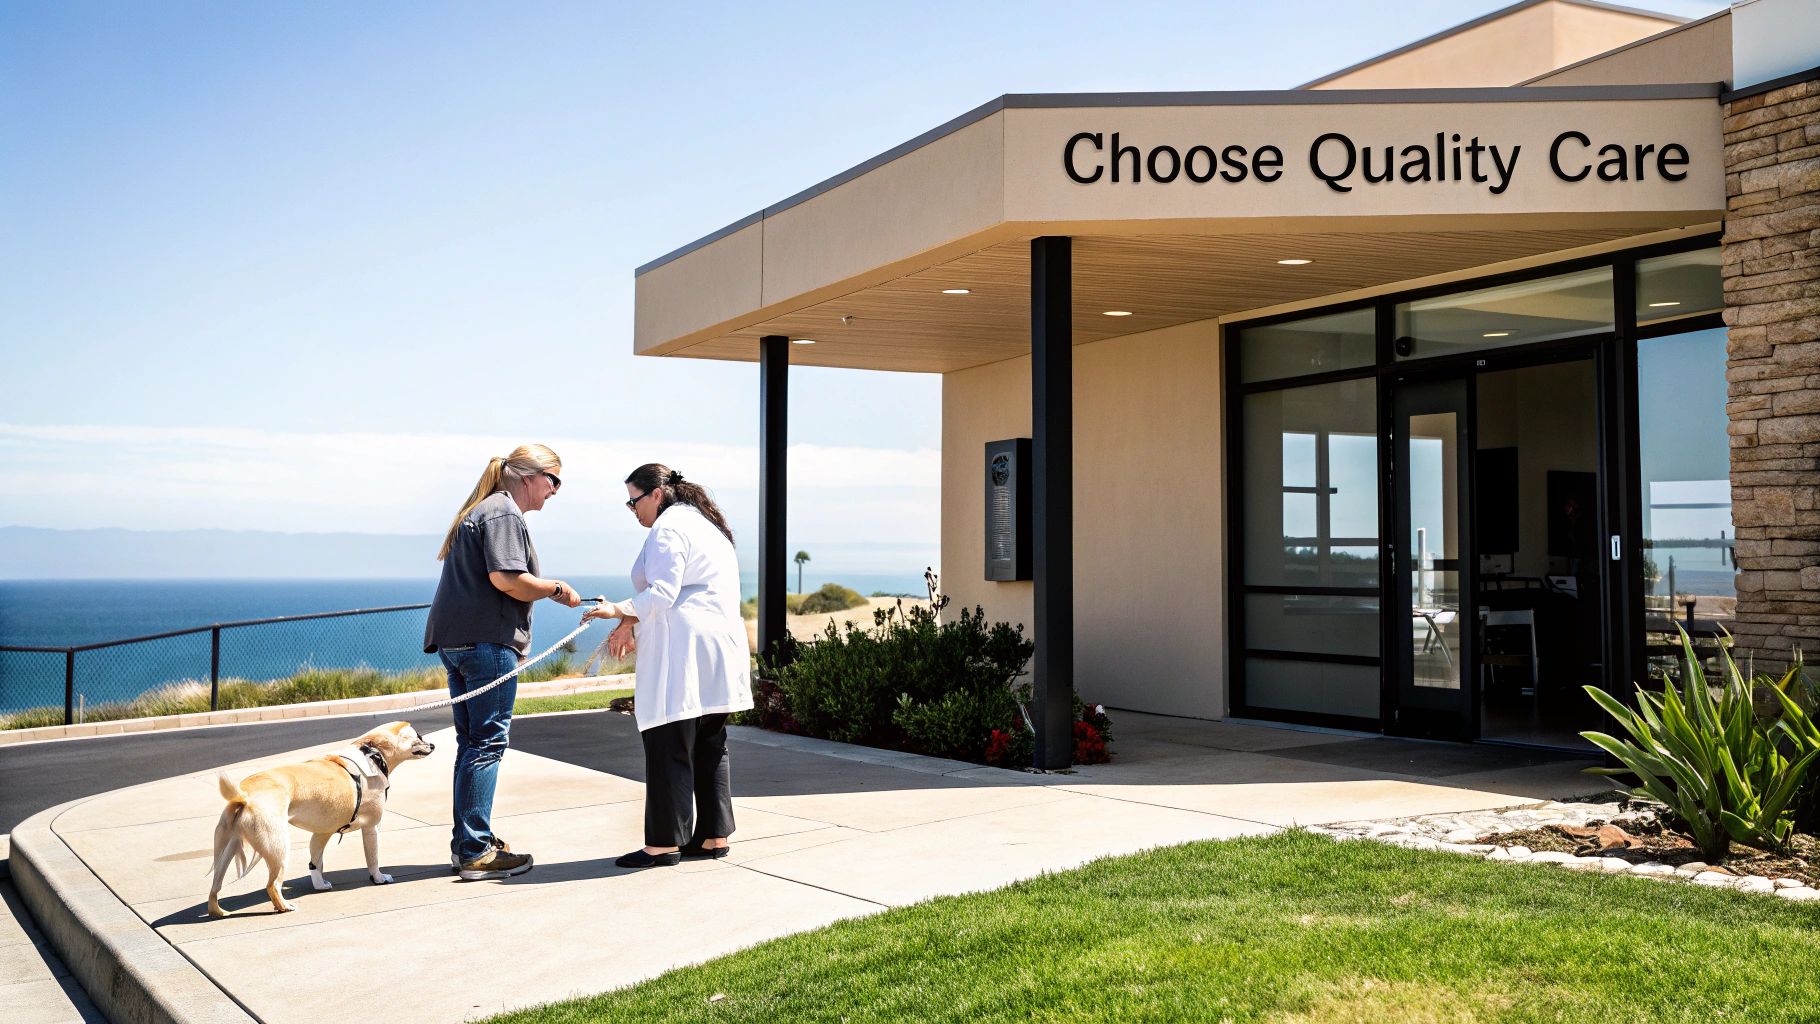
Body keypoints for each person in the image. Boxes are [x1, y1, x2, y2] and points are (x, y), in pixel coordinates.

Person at [424, 444, 581, 880]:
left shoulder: (482, 509)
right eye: (554, 480)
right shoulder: (503, 512)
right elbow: (507, 579)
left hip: (457, 644)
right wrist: (553, 588)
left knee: (471, 744)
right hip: (487, 646)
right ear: (530, 476)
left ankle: (468, 845)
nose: (555, 491)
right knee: (488, 744)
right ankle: (475, 851)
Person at [586, 464, 752, 868]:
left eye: (634, 500)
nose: (632, 510)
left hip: (684, 652)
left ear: (656, 494)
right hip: (719, 648)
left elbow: (662, 592)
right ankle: (713, 836)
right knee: (710, 741)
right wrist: (631, 620)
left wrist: (617, 610)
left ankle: (663, 845)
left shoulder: (668, 529)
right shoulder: (708, 527)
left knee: (667, 741)